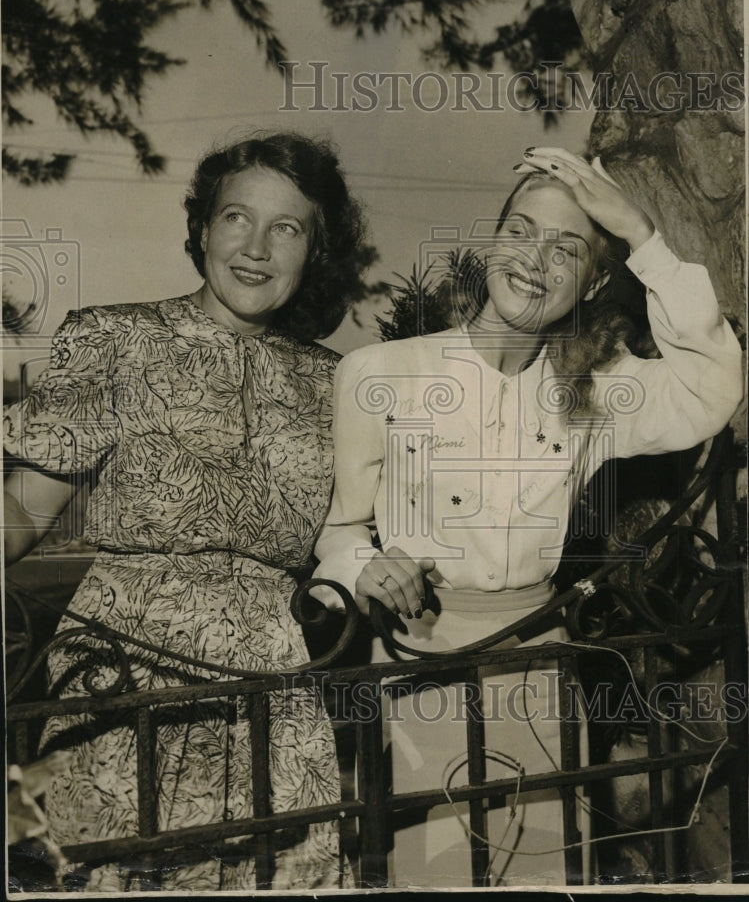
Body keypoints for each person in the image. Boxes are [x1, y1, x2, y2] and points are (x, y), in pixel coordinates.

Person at [312, 147, 744, 887]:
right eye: (519, 232)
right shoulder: (379, 374)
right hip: (419, 661)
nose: (534, 260)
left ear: (595, 281)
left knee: (544, 866)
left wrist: (642, 236)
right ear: (492, 243)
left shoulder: (596, 389)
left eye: (566, 248)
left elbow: (713, 387)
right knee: (434, 870)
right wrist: (365, 567)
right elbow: (340, 530)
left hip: (537, 663)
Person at [3, 131, 371, 891]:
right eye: (236, 218)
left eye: (287, 228)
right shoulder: (114, 340)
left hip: (272, 684)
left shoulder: (335, 383)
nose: (257, 248)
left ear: (313, 251)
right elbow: (24, 514)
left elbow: (359, 537)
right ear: (203, 228)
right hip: (122, 674)